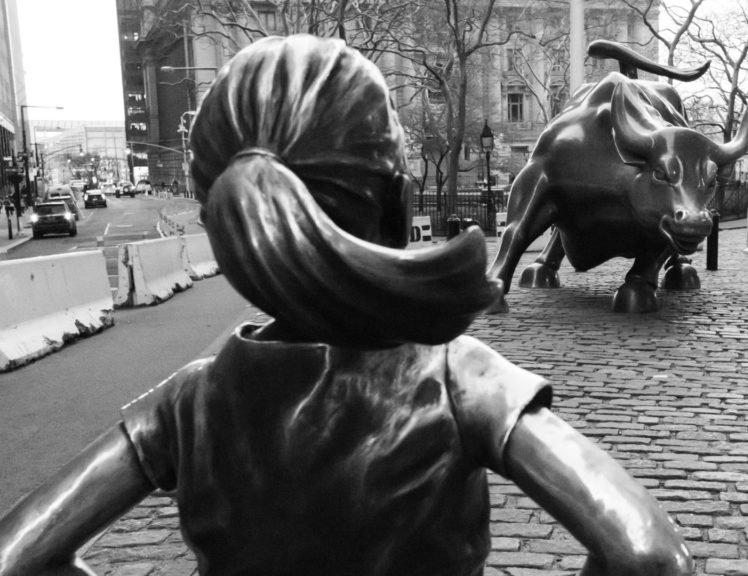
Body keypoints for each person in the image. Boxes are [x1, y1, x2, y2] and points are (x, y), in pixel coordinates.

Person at [0, 35, 691, 576]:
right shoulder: (463, 381)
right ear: (398, 204)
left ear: (223, 229)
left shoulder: (187, 403)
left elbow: (17, 557)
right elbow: (648, 556)